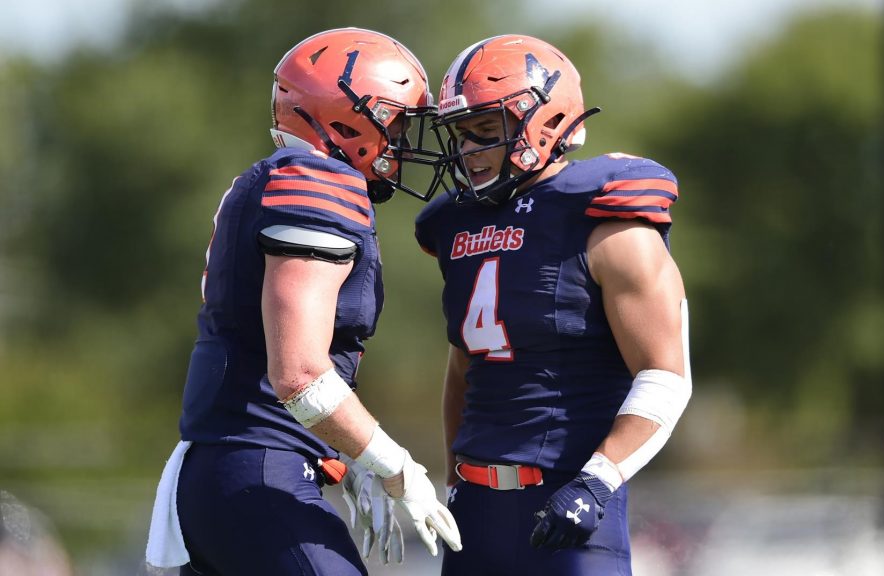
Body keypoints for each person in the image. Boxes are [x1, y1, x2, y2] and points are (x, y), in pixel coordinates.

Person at [145, 28, 461, 576]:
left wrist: (349, 456)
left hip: (233, 471)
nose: (404, 143)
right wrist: (392, 464)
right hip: (258, 473)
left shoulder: (271, 178)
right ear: (345, 118)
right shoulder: (319, 181)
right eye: (397, 123)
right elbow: (299, 374)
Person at [414, 34, 692, 575]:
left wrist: (599, 480)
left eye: (485, 132)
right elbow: (466, 367)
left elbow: (666, 375)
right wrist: (451, 479)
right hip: (475, 512)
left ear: (543, 123)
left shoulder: (609, 219)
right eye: (460, 134)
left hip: (569, 506)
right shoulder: (457, 224)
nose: (467, 151)